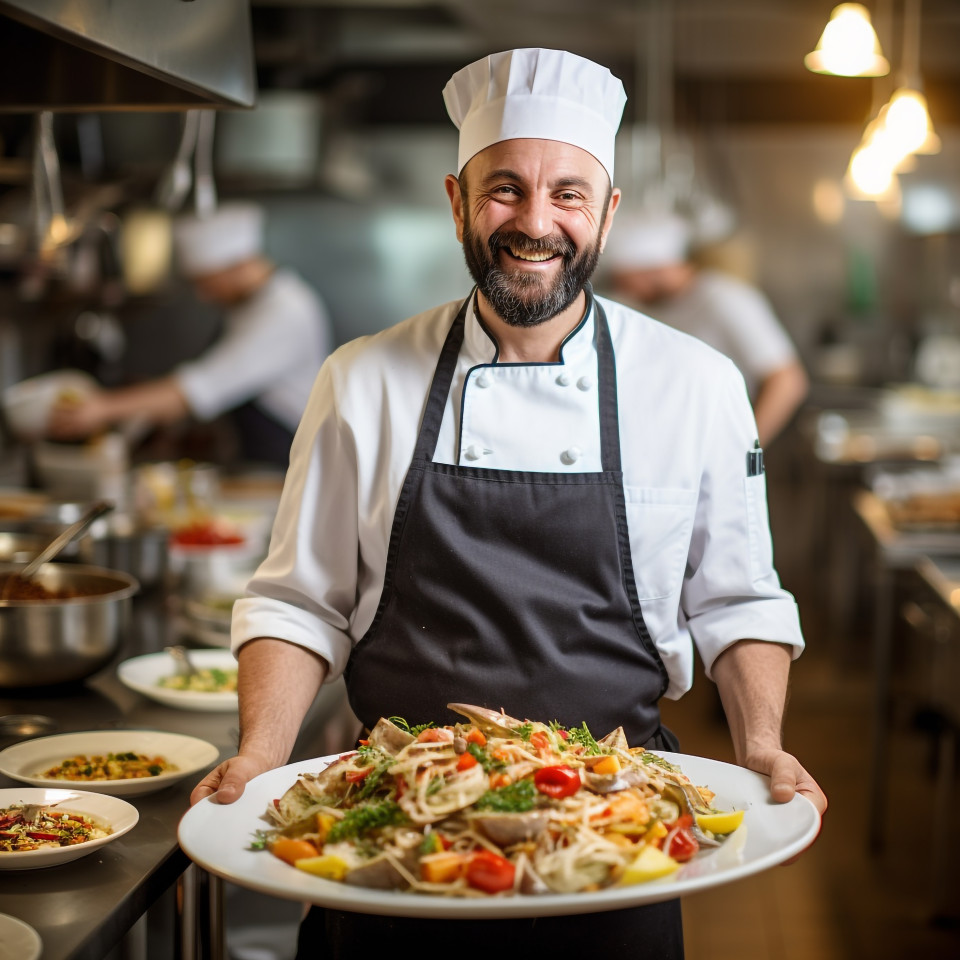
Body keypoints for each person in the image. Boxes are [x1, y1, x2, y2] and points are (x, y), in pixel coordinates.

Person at [190, 48, 827, 958]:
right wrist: (259, 755)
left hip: (616, 823)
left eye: (569, 194)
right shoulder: (360, 379)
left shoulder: (697, 385)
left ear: (606, 213)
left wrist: (760, 742)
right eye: (505, 190)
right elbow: (299, 603)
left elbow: (736, 598)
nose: (536, 223)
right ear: (456, 200)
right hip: (395, 830)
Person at [47, 201, 333, 467]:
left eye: (206, 282)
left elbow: (193, 392)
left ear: (237, 265)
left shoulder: (283, 312)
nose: (203, 296)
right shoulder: (253, 305)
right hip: (265, 460)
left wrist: (101, 408)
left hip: (288, 463)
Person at [604, 209, 809, 446]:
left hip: (720, 448)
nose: (620, 290)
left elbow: (787, 382)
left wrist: (743, 450)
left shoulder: (724, 299)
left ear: (653, 271)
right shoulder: (643, 306)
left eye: (623, 280)